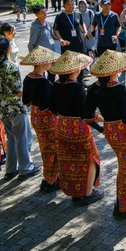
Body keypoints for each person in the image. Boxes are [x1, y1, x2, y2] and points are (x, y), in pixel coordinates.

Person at [86, 51, 126, 219]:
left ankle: (125, 204)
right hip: (125, 134)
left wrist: (102, 128)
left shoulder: (94, 88)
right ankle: (123, 206)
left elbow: (87, 116)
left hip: (110, 133)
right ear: (115, 71)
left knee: (125, 166)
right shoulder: (122, 90)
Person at [49, 51, 104, 205]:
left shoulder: (56, 85)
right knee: (91, 158)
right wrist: (100, 127)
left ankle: (75, 192)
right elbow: (85, 113)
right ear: (73, 70)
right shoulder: (77, 88)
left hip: (62, 126)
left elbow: (52, 108)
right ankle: (88, 193)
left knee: (70, 160)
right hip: (78, 129)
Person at [0, 37, 41, 181]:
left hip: (1, 108)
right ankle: (25, 168)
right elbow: (17, 91)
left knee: (11, 138)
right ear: (8, 48)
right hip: (15, 108)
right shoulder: (11, 66)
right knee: (22, 138)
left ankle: (11, 169)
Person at [20, 46, 61, 193]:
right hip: (46, 118)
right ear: (43, 63)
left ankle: (48, 177)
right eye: (49, 62)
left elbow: (26, 101)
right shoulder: (44, 82)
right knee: (52, 149)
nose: (51, 64)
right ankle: (51, 180)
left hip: (35, 115)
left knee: (45, 148)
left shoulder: (28, 78)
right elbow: (46, 105)